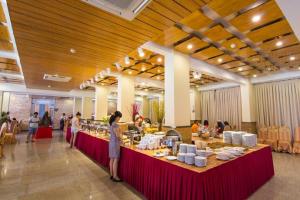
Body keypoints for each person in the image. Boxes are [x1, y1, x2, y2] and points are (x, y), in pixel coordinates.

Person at [109, 111, 123, 182]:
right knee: (116, 160)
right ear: (117, 117)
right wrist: (122, 141)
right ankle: (115, 176)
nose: (119, 119)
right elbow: (118, 136)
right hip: (115, 143)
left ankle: (111, 174)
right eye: (119, 117)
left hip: (111, 142)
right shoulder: (116, 125)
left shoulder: (111, 124)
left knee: (111, 159)